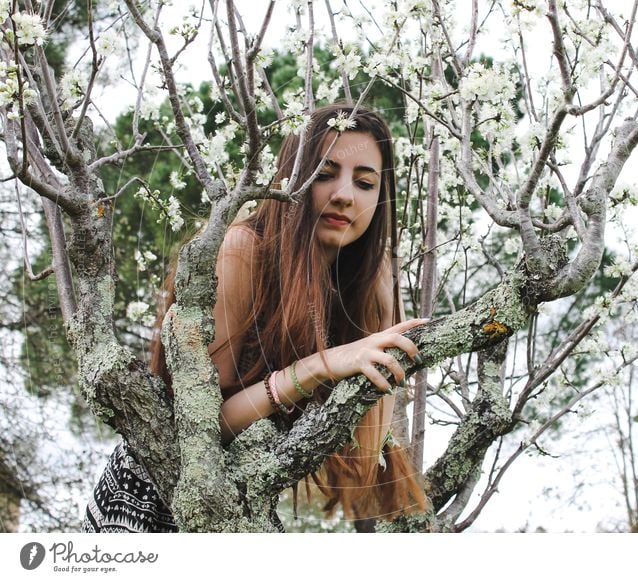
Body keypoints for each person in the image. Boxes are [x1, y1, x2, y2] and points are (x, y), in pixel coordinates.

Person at [83, 103, 428, 532]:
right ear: (290, 178)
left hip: (239, 513)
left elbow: (368, 449)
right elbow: (199, 432)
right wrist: (317, 368)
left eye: (364, 183)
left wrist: (381, 296)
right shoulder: (243, 251)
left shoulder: (346, 287)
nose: (344, 194)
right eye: (324, 173)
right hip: (148, 502)